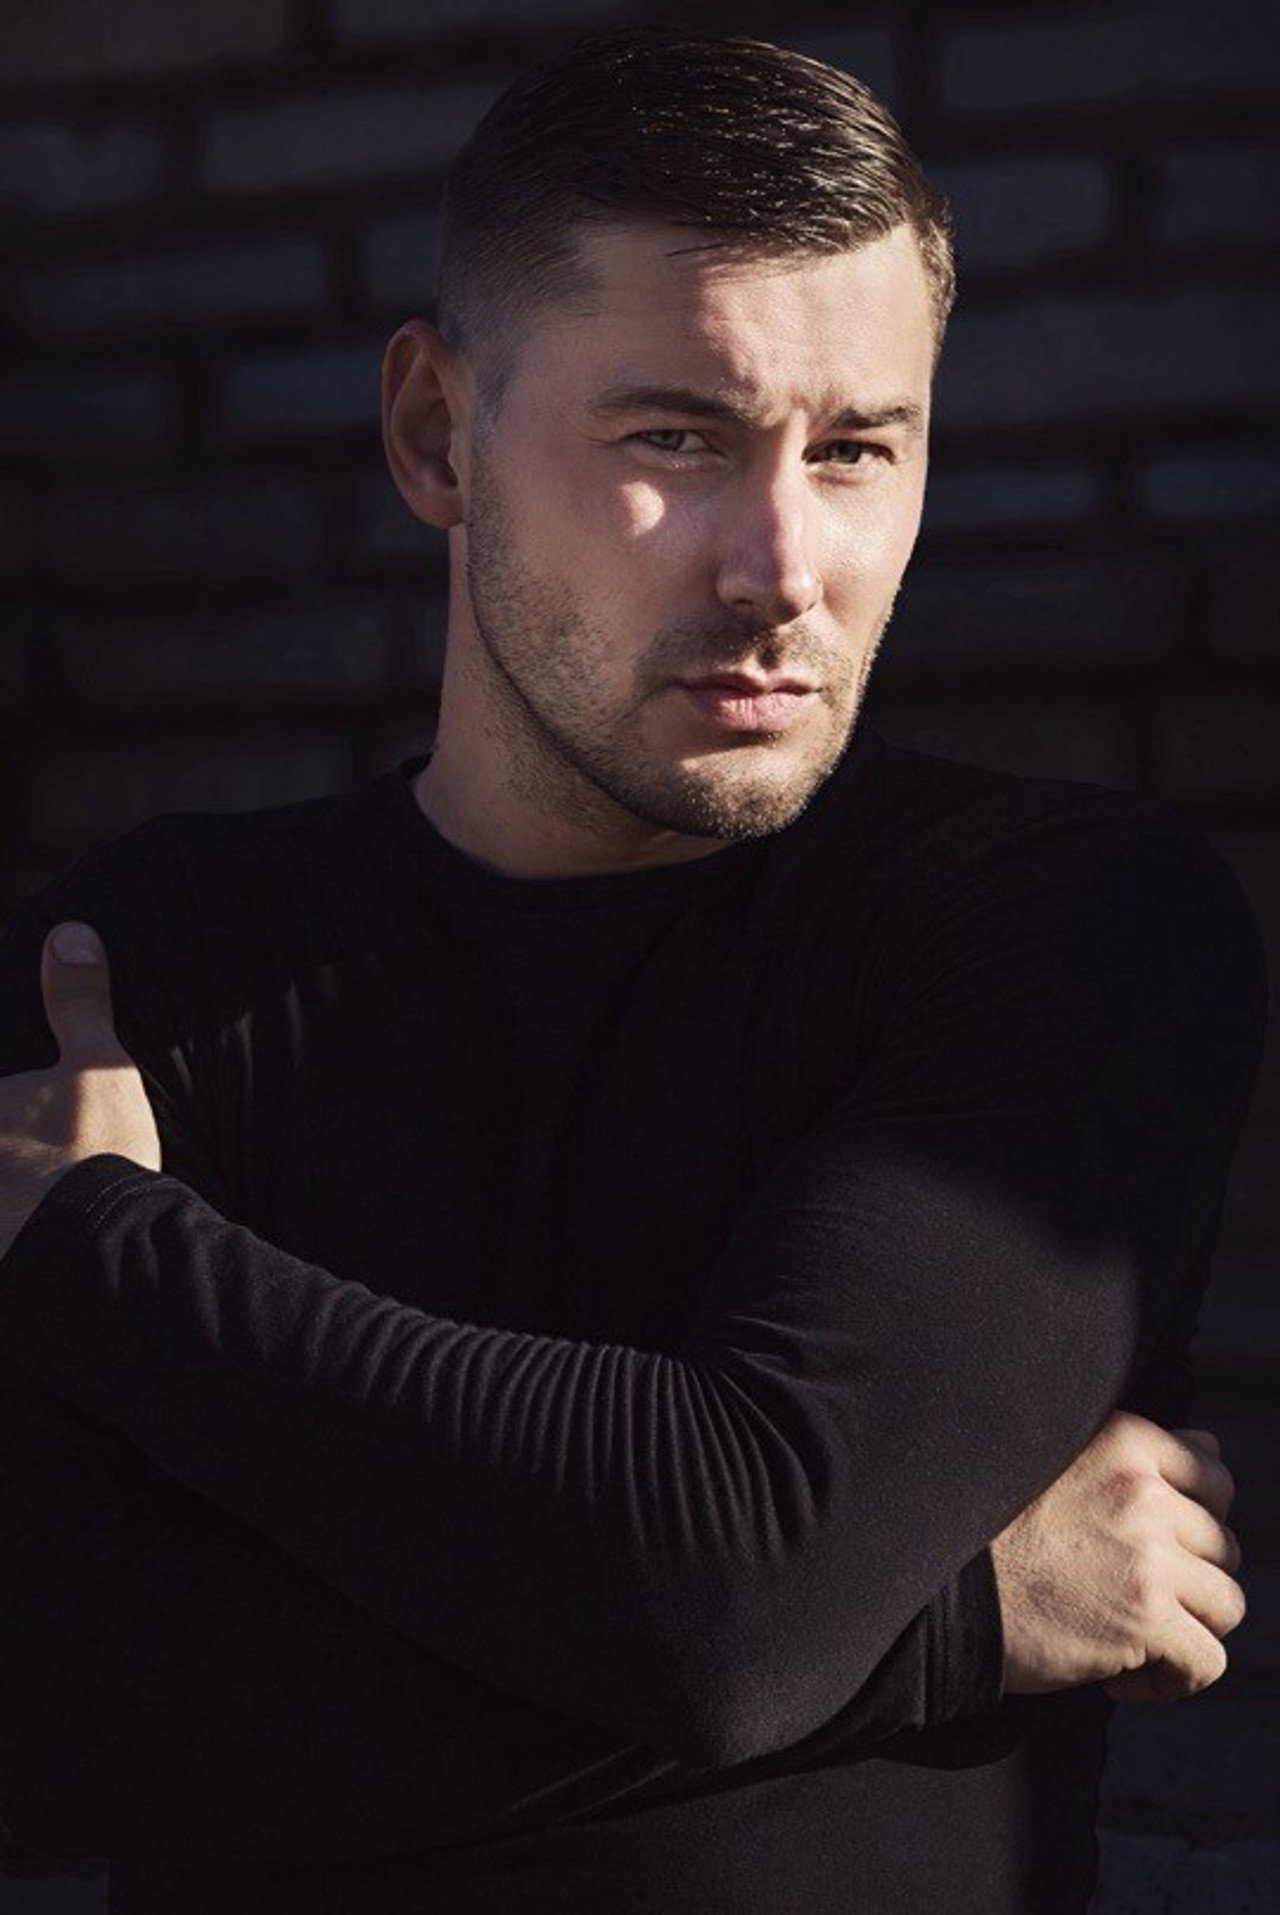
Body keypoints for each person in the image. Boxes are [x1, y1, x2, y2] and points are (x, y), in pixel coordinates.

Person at [0, 25, 1266, 1915]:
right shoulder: (141, 968)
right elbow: (61, 1715)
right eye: (677, 438)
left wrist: (110, 1258)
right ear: (436, 434)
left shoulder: (1059, 924)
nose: (783, 566)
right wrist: (946, 1623)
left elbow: (732, 1597)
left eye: (856, 450)